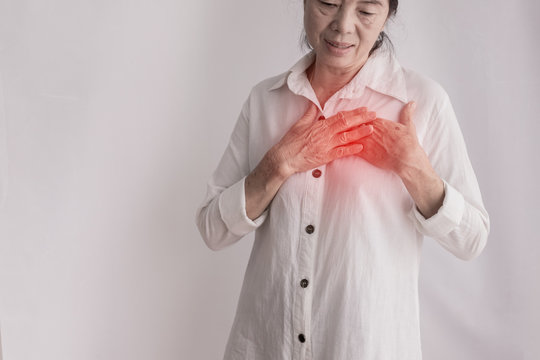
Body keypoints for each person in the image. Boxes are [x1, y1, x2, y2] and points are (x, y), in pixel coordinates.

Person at [196, 0, 489, 359]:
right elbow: (212, 229)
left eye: (366, 11)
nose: (343, 25)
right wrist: (276, 164)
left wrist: (413, 168)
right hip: (265, 344)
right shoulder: (265, 100)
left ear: (387, 15)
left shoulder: (422, 103)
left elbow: (472, 239)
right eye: (328, 4)